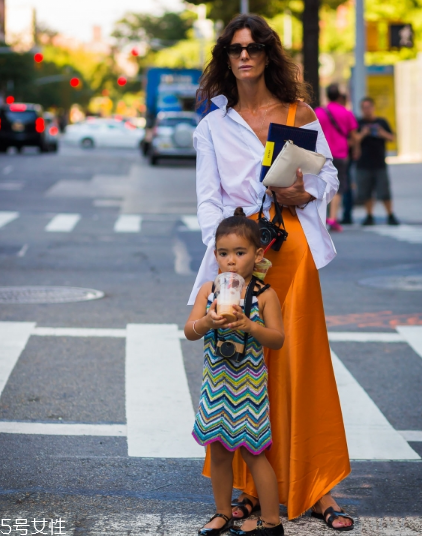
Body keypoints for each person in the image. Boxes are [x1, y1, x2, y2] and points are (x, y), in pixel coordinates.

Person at [188, 13, 354, 532]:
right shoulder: (212, 127)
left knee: (301, 362)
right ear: (225, 58)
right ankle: (245, 488)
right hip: (243, 258)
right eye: (234, 48)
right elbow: (208, 204)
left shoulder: (297, 112)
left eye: (253, 46)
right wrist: (229, 263)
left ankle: (319, 487)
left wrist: (304, 192)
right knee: (240, 364)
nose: (244, 55)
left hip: (292, 247)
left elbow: (326, 173)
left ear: (266, 54)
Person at [185, 211, 285, 536]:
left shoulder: (264, 295)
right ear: (214, 255)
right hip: (216, 387)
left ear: (257, 255)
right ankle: (222, 513)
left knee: (254, 453)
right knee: (218, 454)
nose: (231, 262)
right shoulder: (208, 291)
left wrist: (250, 325)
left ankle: (271, 522)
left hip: (249, 390)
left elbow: (278, 339)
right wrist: (207, 322)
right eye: (223, 253)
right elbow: (190, 330)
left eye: (240, 253)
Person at [315, 84, 358, 230]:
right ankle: (333, 218)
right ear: (340, 96)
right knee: (338, 186)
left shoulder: (318, 112)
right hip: (340, 155)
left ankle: (322, 217)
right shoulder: (346, 113)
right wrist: (354, 148)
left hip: (320, 155)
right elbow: (354, 136)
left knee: (320, 184)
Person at [355, 97, 399, 226]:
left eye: (369, 107)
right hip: (363, 163)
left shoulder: (382, 122)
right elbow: (353, 141)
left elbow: (392, 138)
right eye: (364, 107)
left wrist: (381, 133)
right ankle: (369, 215)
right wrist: (363, 133)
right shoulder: (358, 123)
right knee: (366, 192)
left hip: (379, 163)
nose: (367, 110)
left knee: (384, 191)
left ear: (373, 108)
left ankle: (390, 214)